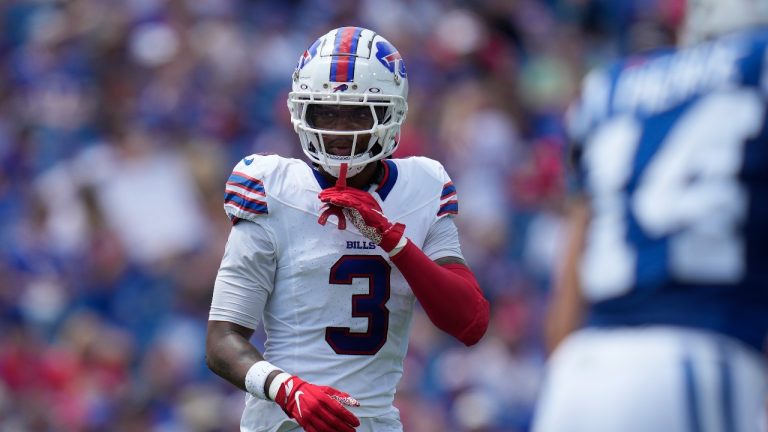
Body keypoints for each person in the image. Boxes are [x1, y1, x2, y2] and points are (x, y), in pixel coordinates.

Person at [204, 26, 490, 432]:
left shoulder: (423, 185)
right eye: (326, 111)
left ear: (391, 113)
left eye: (359, 112)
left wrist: (391, 239)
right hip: (285, 420)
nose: (341, 128)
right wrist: (288, 389)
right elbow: (221, 342)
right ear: (303, 112)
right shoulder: (273, 187)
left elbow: (470, 321)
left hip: (374, 422)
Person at [532, 1, 768, 431]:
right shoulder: (758, 68)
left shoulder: (610, 86)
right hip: (699, 355)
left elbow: (571, 274)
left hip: (579, 373)